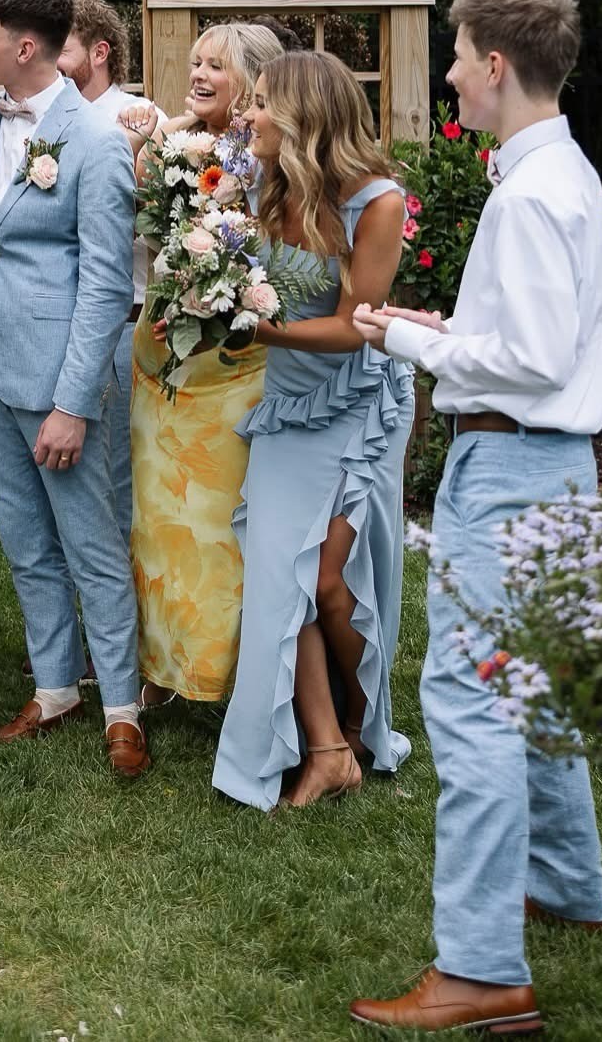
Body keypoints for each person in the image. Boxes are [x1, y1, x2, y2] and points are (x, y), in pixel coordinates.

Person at [349, 0, 602, 1036]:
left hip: (508, 470)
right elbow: (534, 338)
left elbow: (535, 359)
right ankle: (569, 885)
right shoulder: (559, 172)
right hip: (551, 469)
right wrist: (446, 327)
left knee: (471, 700)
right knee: (533, 689)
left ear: (495, 65)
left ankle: (479, 967)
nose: (451, 72)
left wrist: (409, 340)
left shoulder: (531, 192)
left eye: (457, 55)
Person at [0, 0, 148, 778]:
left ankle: (123, 707)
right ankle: (54, 686)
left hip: (61, 375)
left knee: (90, 541)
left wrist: (73, 402)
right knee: (25, 541)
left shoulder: (96, 140)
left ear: (24, 46)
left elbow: (105, 281)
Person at [212, 49, 413, 811]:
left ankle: (363, 717)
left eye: (262, 102)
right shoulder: (260, 182)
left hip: (357, 403)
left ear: (304, 116)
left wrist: (257, 330)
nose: (248, 115)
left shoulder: (376, 201)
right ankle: (326, 749)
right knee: (278, 573)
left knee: (330, 579)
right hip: (288, 404)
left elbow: (357, 325)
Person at [123, 21, 285, 709]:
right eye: (195, 62)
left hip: (234, 362)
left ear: (252, 79)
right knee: (156, 518)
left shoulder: (269, 157)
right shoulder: (170, 143)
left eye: (215, 65)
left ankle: (227, 673)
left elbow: (278, 258)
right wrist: (151, 140)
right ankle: (161, 666)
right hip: (163, 352)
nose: (197, 74)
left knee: (221, 524)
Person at [57, 0, 155, 544]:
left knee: (120, 475)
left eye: (63, 48)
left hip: (122, 324)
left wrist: (132, 147)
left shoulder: (144, 118)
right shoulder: (46, 120)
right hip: (56, 321)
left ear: (99, 53)